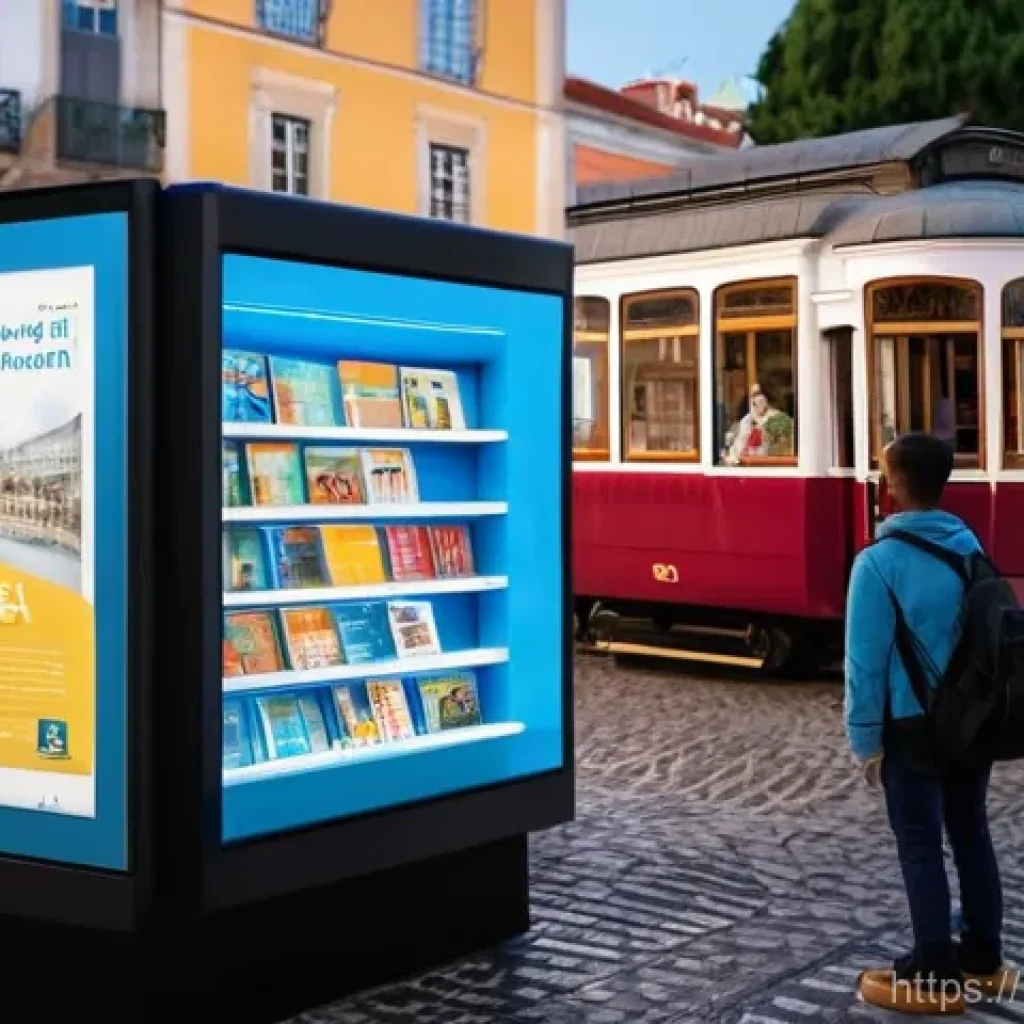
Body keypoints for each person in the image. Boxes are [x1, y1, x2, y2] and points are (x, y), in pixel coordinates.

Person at [845, 433, 1016, 1014]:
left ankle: (935, 970)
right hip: (971, 721)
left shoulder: (877, 562)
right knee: (970, 831)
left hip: (911, 726)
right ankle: (985, 959)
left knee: (920, 846)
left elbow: (864, 665)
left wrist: (865, 741)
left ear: (894, 485)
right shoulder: (969, 547)